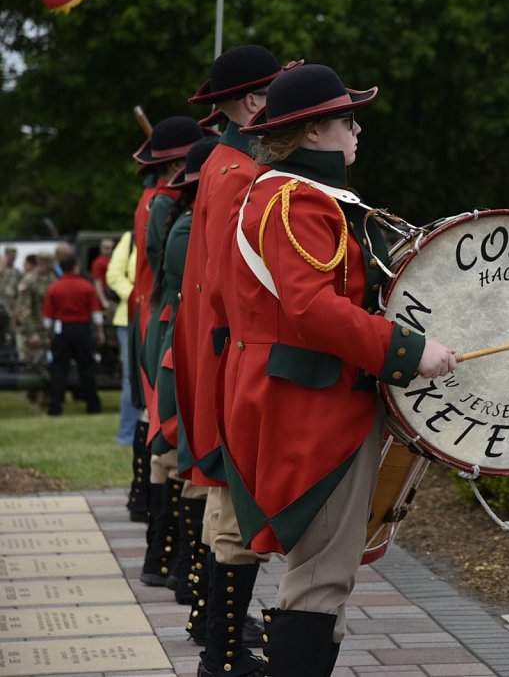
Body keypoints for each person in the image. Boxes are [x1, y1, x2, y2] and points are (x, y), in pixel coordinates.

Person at [222, 63, 457, 675]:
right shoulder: (295, 201)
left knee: (326, 578)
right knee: (321, 578)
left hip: (307, 400)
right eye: (348, 119)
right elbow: (312, 310)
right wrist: (407, 350)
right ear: (314, 133)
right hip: (312, 409)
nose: (358, 131)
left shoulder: (290, 195)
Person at [177, 45, 300, 676]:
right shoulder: (240, 173)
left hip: (221, 350)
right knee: (233, 504)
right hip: (235, 354)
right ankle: (224, 654)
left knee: (228, 501)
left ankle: (217, 632)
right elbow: (234, 284)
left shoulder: (226, 165)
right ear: (256, 103)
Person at [137, 136, 220, 595]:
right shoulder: (188, 228)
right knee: (175, 450)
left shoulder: (185, 221)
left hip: (174, 335)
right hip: (176, 338)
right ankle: (178, 569)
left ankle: (169, 563)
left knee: (173, 452)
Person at [106, 230, 145, 519]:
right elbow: (113, 275)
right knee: (130, 381)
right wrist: (137, 294)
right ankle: (126, 435)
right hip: (129, 317)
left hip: (152, 311)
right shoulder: (129, 238)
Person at [41, 254, 104, 415]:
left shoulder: (54, 287)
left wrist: (49, 335)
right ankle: (93, 405)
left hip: (62, 330)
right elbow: (95, 313)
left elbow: (48, 317)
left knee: (60, 369)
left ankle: (55, 407)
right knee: (87, 368)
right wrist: (99, 331)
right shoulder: (86, 286)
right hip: (82, 330)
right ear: (75, 267)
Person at [13, 253, 54, 409]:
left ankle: (45, 398)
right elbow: (24, 310)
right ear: (41, 264)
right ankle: (34, 398)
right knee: (34, 364)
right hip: (34, 329)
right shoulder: (29, 281)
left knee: (46, 364)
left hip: (47, 329)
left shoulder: (51, 279)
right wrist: (31, 333)